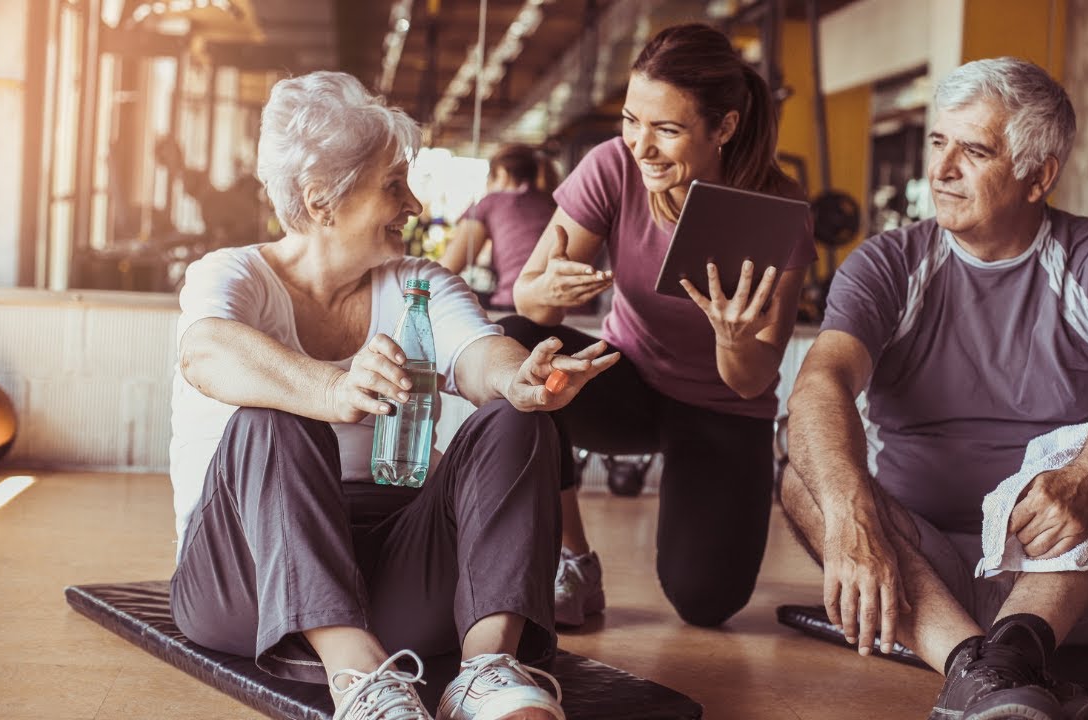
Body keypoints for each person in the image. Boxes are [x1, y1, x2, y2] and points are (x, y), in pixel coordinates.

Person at [168, 70, 619, 720]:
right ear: (322, 200)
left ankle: (486, 672)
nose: (413, 206)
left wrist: (520, 377)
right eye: (392, 186)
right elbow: (206, 353)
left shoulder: (418, 283)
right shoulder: (231, 274)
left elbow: (478, 354)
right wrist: (329, 387)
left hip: (395, 567)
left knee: (515, 419)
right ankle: (357, 678)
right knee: (271, 417)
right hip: (244, 581)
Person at [779, 57, 1088, 719]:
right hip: (918, 572)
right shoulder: (888, 263)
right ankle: (982, 669)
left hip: (1064, 572)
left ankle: (1015, 647)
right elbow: (820, 384)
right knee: (804, 476)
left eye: (974, 150)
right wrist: (850, 519)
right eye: (938, 142)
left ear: (1038, 174)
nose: (941, 169)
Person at [505, 23, 817, 629]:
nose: (640, 146)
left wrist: (731, 338)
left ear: (722, 128)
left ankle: (697, 500)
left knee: (706, 603)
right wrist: (548, 291)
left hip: (723, 410)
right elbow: (528, 307)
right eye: (631, 120)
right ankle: (574, 561)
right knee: (514, 342)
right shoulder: (612, 168)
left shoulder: (777, 210)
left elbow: (752, 380)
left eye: (667, 130)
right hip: (629, 385)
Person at [440, 145, 560, 311]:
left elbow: (447, 269)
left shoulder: (492, 202)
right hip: (569, 307)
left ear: (502, 173)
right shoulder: (554, 204)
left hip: (517, 305)